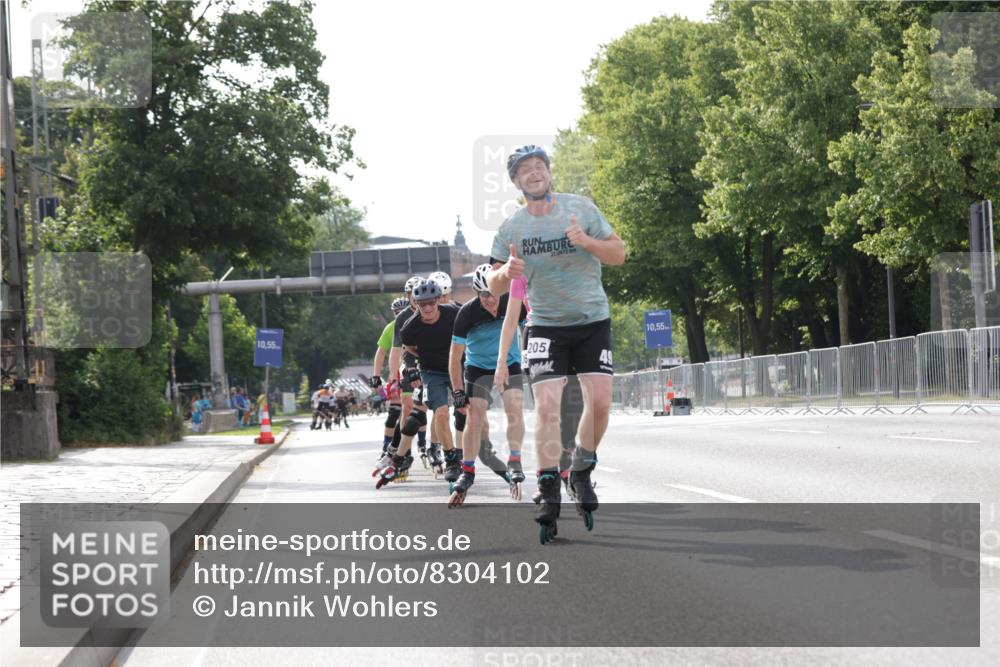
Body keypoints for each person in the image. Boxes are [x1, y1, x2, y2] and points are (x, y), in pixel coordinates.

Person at [487, 144, 626, 542]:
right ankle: (548, 483)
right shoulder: (511, 228)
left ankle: (581, 467)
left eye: (539, 166)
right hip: (546, 327)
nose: (534, 173)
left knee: (600, 403)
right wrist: (506, 272)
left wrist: (587, 242)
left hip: (591, 321)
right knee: (547, 408)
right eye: (525, 170)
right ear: (516, 181)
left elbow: (618, 254)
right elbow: (493, 284)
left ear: (549, 172)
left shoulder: (580, 208)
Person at [447, 263, 528, 506]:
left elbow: (531, 331)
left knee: (514, 409)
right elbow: (454, 357)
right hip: (478, 367)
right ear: (476, 292)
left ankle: (515, 460)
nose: (490, 299)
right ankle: (468, 470)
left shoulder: (512, 303)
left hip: (509, 363)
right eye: (484, 295)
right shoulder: (467, 314)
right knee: (475, 417)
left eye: (494, 293)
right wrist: (458, 391)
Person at [377, 279, 462, 489]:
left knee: (464, 412)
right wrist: (407, 369)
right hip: (431, 372)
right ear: (415, 303)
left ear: (438, 300)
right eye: (422, 304)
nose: (428, 308)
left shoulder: (454, 312)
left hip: (456, 367)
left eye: (431, 303)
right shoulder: (408, 326)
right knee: (436, 413)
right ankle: (447, 457)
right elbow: (403, 350)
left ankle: (458, 453)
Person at [372, 297, 410, 455]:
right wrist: (376, 376)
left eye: (403, 311)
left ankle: (414, 446)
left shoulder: (417, 323)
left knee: (412, 412)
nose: (400, 315)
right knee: (394, 412)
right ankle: (386, 447)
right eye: (397, 313)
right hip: (396, 374)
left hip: (413, 371)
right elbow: (381, 352)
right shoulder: (390, 328)